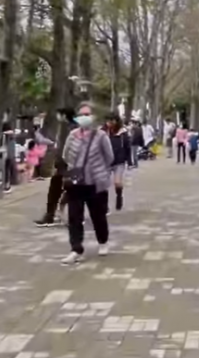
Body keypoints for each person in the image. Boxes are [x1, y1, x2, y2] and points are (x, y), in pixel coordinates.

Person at [61, 102, 114, 265]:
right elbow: (65, 155)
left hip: (95, 183)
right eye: (81, 114)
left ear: (93, 117)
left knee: (98, 215)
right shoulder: (73, 135)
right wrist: (74, 168)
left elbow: (109, 157)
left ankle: (103, 241)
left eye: (87, 114)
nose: (84, 117)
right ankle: (76, 249)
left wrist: (99, 170)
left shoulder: (101, 136)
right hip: (76, 182)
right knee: (74, 217)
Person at [34, 108, 76, 227]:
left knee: (64, 191)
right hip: (65, 165)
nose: (58, 117)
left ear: (64, 116)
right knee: (58, 189)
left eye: (59, 115)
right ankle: (51, 215)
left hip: (67, 165)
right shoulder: (68, 128)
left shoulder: (68, 129)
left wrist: (61, 162)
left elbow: (65, 149)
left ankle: (54, 216)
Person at [103, 113, 130, 211]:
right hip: (106, 161)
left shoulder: (123, 133)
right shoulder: (103, 132)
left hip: (119, 161)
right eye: (108, 120)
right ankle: (104, 205)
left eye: (112, 120)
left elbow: (127, 147)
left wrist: (129, 161)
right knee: (104, 184)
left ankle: (119, 196)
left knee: (117, 182)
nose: (110, 122)